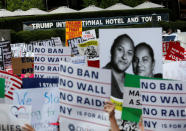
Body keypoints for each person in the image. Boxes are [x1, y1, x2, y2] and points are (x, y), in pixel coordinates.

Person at [104, 34, 135, 99]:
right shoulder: (99, 78)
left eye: (129, 53)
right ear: (112, 50)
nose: (124, 57)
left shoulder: (133, 82)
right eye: (120, 49)